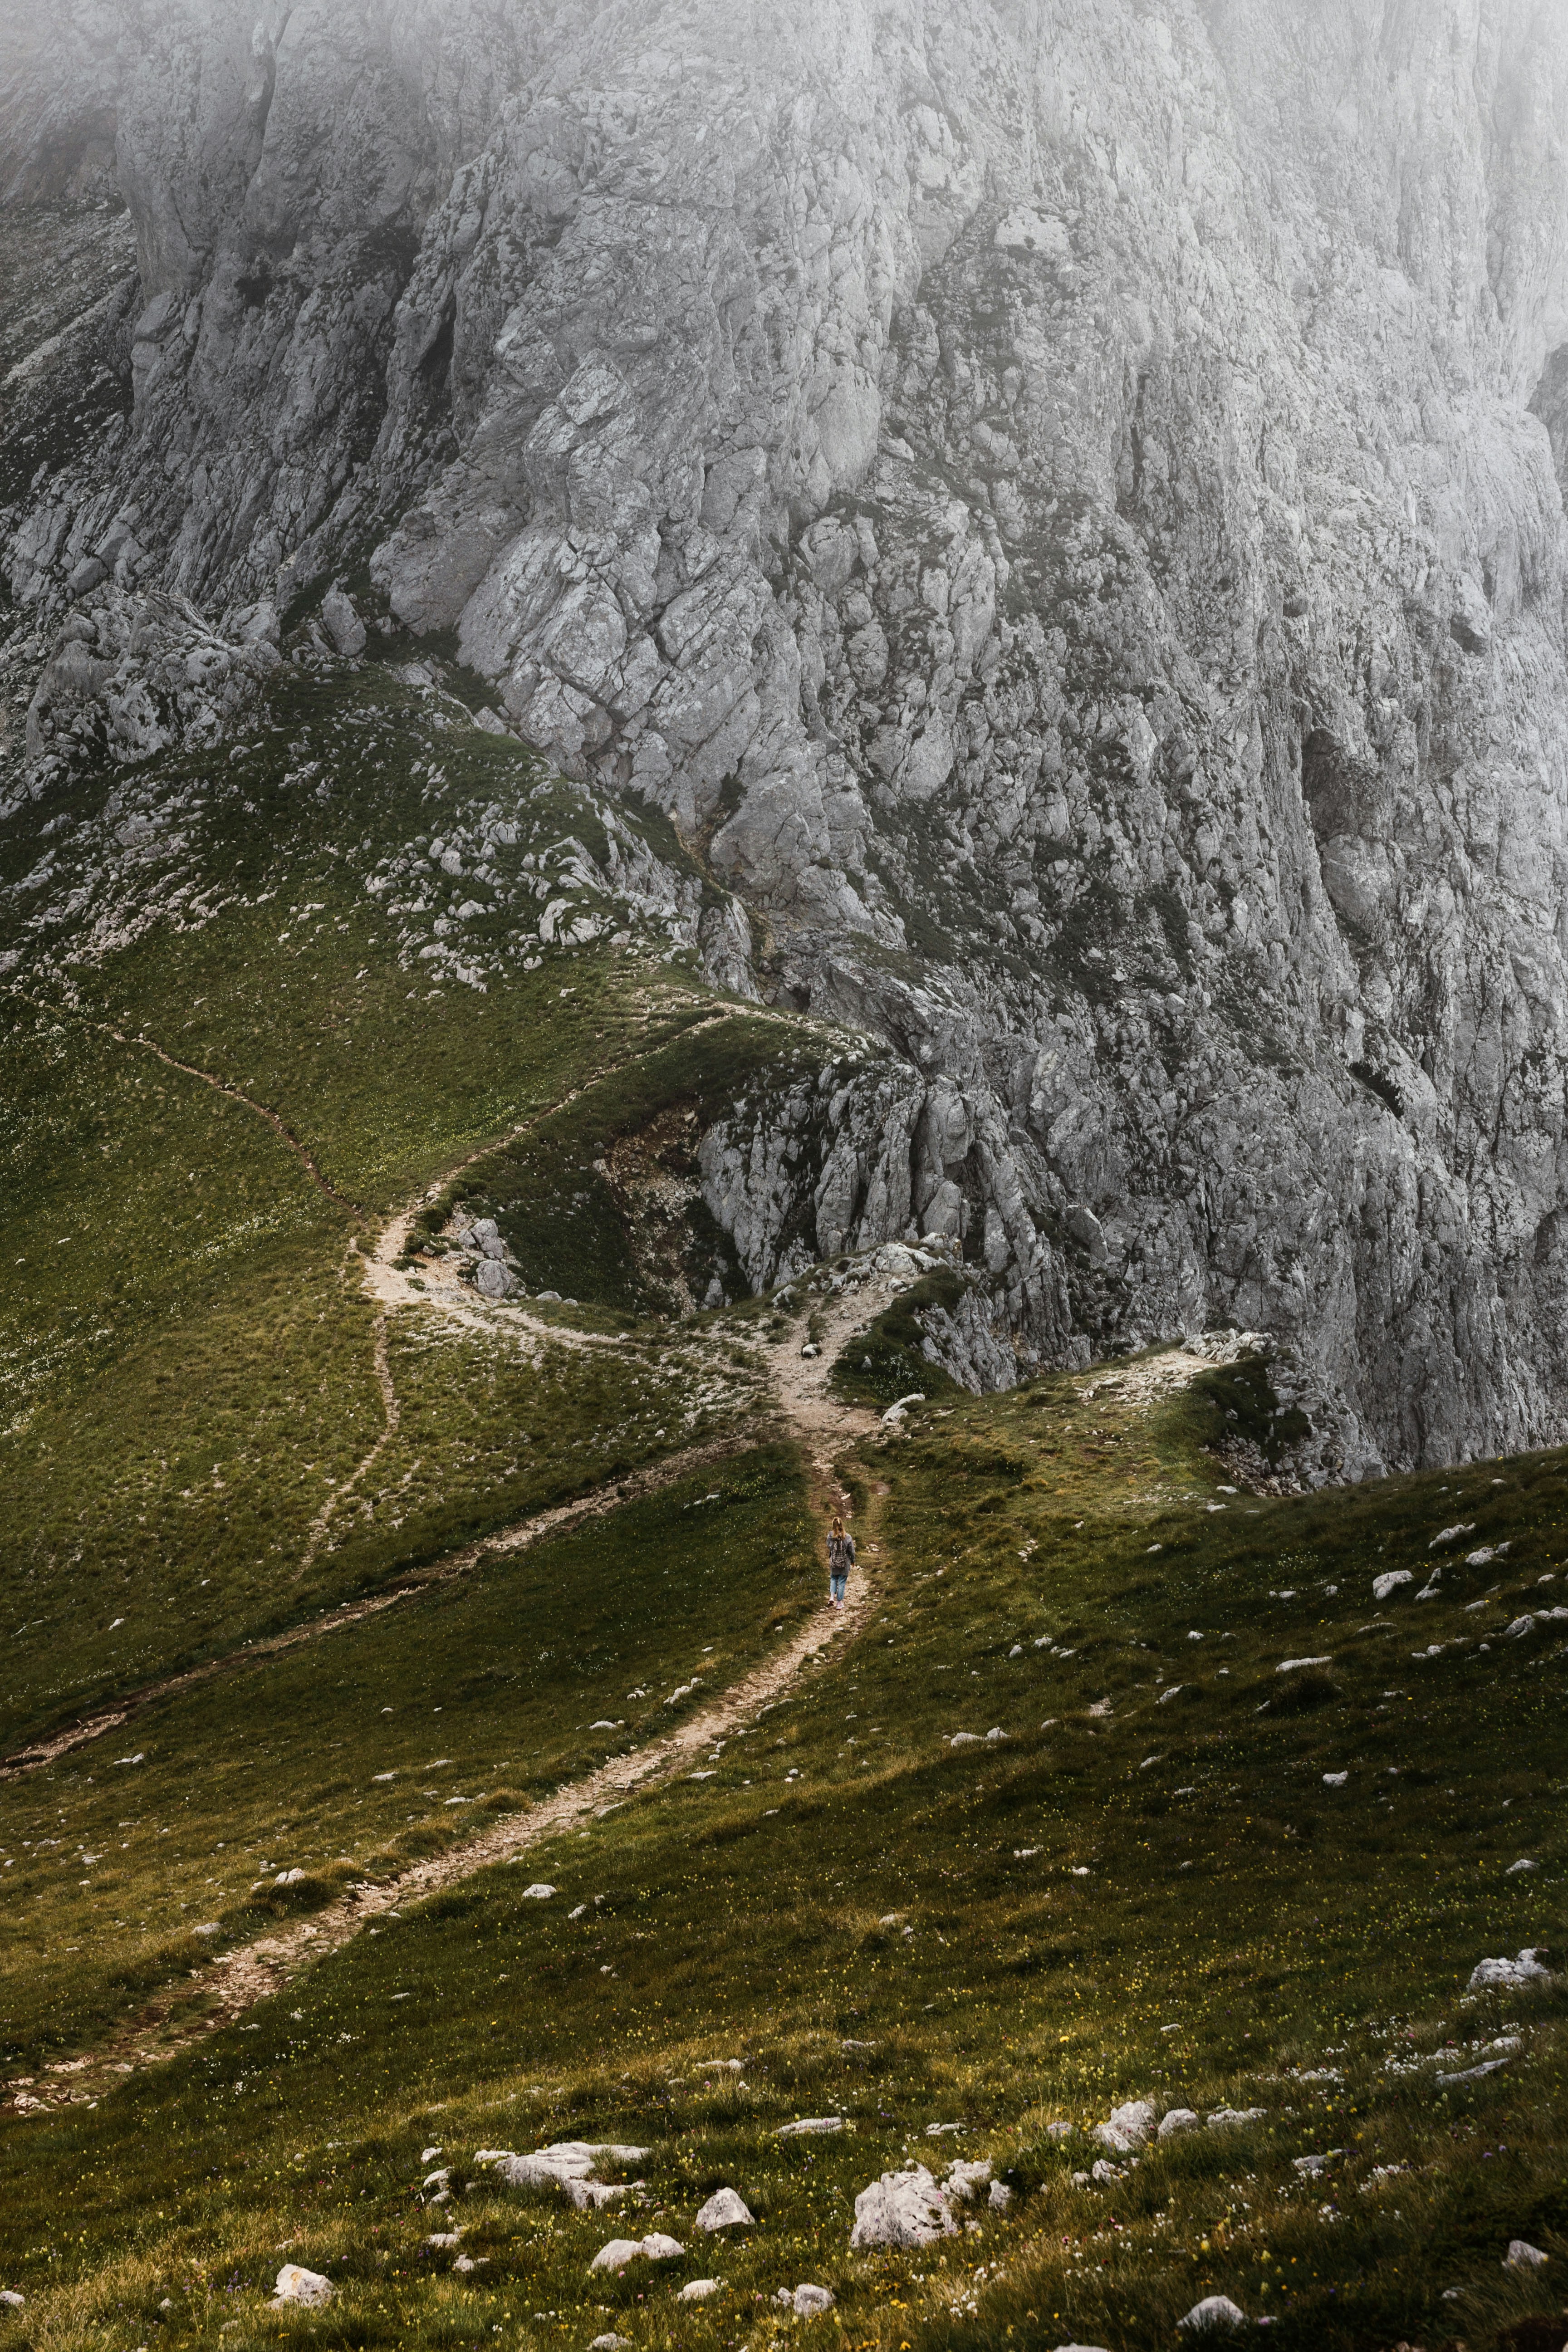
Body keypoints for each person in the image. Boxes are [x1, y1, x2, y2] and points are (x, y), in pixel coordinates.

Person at [827, 1514, 855, 1607]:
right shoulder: (847, 1537)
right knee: (842, 1582)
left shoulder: (831, 1536)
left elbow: (830, 1547)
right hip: (845, 1562)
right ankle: (839, 1603)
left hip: (834, 1562)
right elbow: (851, 1551)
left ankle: (831, 1597)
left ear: (833, 1526)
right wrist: (853, 1560)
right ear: (842, 1525)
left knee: (833, 1579)